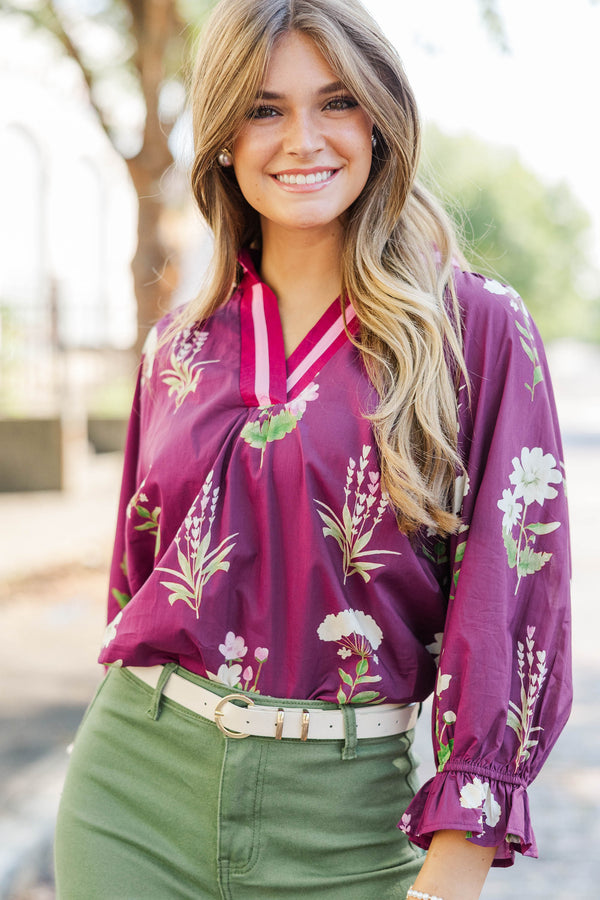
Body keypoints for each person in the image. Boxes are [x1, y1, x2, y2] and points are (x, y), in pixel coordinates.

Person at [54, 1, 572, 898]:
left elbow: (510, 606)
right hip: (131, 800)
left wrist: (452, 875)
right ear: (222, 136)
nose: (304, 139)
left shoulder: (476, 330)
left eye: (336, 102)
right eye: (264, 109)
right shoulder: (176, 347)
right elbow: (135, 584)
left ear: (379, 119)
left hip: (346, 825)